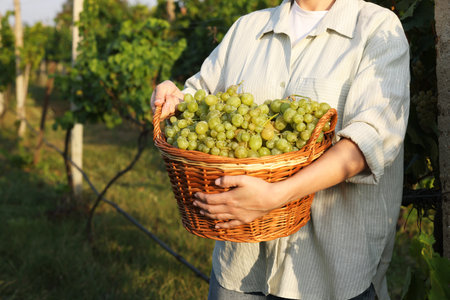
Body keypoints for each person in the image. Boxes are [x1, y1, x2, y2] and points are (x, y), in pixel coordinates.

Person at [151, 0, 410, 299]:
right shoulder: (247, 28)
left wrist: (277, 195)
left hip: (330, 277)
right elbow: (197, 101)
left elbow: (370, 141)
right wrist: (171, 98)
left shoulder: (376, 27)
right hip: (239, 271)